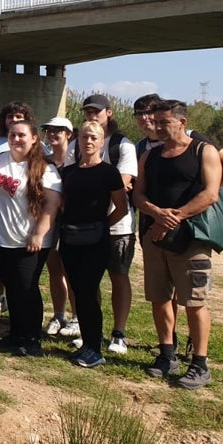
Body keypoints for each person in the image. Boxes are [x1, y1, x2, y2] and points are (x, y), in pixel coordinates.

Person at [133, 99, 222, 389]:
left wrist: (176, 217)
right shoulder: (151, 156)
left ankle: (200, 364)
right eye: (155, 122)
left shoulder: (202, 151)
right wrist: (157, 214)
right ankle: (166, 354)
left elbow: (211, 194)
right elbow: (138, 194)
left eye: (163, 122)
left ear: (182, 122)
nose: (157, 127)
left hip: (191, 239)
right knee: (159, 298)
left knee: (195, 301)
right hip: (155, 237)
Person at [0, 119, 61, 357]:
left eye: (21, 135)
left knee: (27, 289)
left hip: (29, 240)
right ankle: (16, 334)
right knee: (13, 287)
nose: (16, 139)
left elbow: (52, 204)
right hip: (2, 239)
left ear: (34, 138)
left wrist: (39, 233)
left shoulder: (44, 168)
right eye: (12, 135)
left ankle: (32, 338)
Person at [57, 121, 128, 368]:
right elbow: (63, 204)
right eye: (85, 137)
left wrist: (102, 224)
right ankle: (87, 344)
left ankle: (95, 349)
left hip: (96, 242)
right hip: (69, 239)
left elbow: (122, 207)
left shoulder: (109, 172)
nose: (88, 141)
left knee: (88, 292)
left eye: (93, 138)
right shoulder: (68, 172)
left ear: (101, 142)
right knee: (78, 291)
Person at [74, 95, 138, 355]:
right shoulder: (78, 144)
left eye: (97, 112)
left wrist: (104, 220)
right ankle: (93, 331)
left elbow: (122, 183)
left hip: (118, 226)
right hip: (86, 227)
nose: (92, 116)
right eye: (88, 112)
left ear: (109, 113)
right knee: (88, 283)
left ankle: (119, 333)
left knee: (118, 276)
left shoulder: (123, 145)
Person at [41, 117, 79, 340]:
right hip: (49, 221)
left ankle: (76, 317)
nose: (53, 134)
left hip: (71, 222)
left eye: (59, 131)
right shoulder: (43, 161)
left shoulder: (76, 162)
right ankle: (58, 315)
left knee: (71, 272)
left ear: (68, 135)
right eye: (50, 130)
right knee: (55, 270)